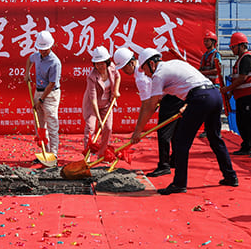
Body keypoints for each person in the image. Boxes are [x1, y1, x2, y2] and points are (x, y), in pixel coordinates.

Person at [131, 48, 238, 195]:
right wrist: (186, 105)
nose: (145, 74)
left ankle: (179, 184)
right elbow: (191, 85)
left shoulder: (158, 75)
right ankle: (230, 176)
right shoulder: (174, 64)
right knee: (215, 139)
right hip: (214, 95)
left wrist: (138, 131)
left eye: (144, 69)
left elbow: (150, 106)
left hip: (200, 98)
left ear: (151, 63)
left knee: (181, 142)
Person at [113, 47, 183, 177]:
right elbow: (152, 103)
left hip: (171, 97)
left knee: (164, 133)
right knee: (174, 132)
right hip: (175, 96)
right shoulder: (141, 72)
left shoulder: (141, 77)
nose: (123, 71)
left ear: (132, 63)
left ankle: (164, 165)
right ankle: (174, 160)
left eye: (124, 67)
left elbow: (147, 105)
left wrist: (138, 131)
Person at [220, 32, 251, 158]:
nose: (232, 50)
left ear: (241, 46)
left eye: (233, 47)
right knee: (241, 122)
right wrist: (231, 93)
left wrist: (227, 89)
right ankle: (246, 147)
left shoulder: (246, 58)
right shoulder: (239, 60)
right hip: (242, 97)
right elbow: (237, 80)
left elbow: (242, 79)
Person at [24, 31, 62, 158]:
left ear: (51, 46)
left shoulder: (55, 62)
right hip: (38, 91)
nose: (43, 51)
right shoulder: (36, 56)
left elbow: (51, 84)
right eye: (41, 49)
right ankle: (44, 151)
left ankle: (53, 153)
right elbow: (29, 59)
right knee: (40, 124)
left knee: (51, 123)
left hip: (50, 94)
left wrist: (41, 100)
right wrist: (27, 73)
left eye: (45, 49)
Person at [82, 46, 121, 159]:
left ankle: (102, 154)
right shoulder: (92, 77)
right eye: (97, 64)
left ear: (107, 62)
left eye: (102, 63)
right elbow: (93, 100)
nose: (100, 66)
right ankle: (87, 156)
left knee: (108, 128)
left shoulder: (112, 68)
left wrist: (116, 91)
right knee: (90, 128)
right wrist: (99, 119)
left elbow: (118, 77)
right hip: (92, 106)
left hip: (107, 104)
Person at [197, 30, 222, 138]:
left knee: (215, 111)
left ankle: (217, 132)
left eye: (208, 41)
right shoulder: (204, 56)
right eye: (205, 41)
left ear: (213, 42)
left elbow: (217, 70)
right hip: (205, 86)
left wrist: (203, 73)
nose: (206, 43)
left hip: (214, 86)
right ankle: (207, 130)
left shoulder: (216, 55)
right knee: (206, 109)